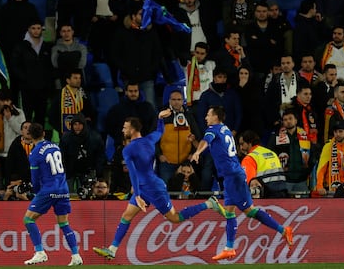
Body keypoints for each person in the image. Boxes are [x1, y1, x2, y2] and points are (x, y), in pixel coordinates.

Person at [93, 110, 224, 260]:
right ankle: (112, 249)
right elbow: (160, 131)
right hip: (144, 187)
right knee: (126, 216)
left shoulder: (128, 149)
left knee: (175, 218)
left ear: (133, 129)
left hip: (153, 188)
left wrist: (137, 194)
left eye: (125, 127)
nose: (123, 130)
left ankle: (209, 204)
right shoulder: (150, 139)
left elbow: (133, 174)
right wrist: (160, 119)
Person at [191, 106, 293, 260]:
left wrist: (198, 152)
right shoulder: (225, 129)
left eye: (208, 115)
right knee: (231, 211)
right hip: (231, 175)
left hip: (233, 175)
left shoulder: (213, 129)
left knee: (248, 211)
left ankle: (283, 230)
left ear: (215, 117)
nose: (206, 118)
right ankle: (230, 248)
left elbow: (207, 140)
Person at [23, 122, 83, 266]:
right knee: (64, 223)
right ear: (44, 133)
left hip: (49, 190)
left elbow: (35, 178)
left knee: (28, 220)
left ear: (30, 136)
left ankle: (40, 252)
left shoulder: (35, 153)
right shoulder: (55, 146)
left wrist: (36, 192)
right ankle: (76, 255)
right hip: (63, 189)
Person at [10, 18, 53, 125]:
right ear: (28, 29)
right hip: (27, 88)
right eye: (33, 28)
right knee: (26, 117)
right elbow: (15, 66)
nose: (36, 31)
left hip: (43, 88)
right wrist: (25, 78)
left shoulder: (47, 47)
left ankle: (40, 141)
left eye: (38, 28)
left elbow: (51, 66)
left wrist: (47, 81)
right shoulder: (21, 46)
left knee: (41, 117)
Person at [156, 90, 201, 183]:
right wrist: (159, 155)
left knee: (185, 191)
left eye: (179, 99)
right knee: (166, 190)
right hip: (166, 162)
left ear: (183, 101)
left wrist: (192, 153)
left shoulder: (189, 117)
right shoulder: (163, 116)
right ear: (169, 101)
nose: (176, 102)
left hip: (185, 163)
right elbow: (154, 138)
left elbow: (197, 137)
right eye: (174, 99)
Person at [268, 110, 316, 196]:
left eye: (290, 118)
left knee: (305, 206)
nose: (288, 121)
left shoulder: (305, 136)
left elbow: (312, 156)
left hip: (302, 180)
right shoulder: (276, 137)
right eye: (285, 120)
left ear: (296, 120)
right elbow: (270, 156)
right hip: (284, 180)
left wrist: (306, 171)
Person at [59, 113, 106, 193]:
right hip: (69, 171)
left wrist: (98, 173)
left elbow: (100, 156)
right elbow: (61, 156)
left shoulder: (95, 138)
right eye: (75, 124)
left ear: (84, 125)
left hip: (88, 171)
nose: (77, 127)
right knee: (67, 195)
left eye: (80, 124)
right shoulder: (66, 138)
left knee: (87, 195)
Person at [315, 120, 344, 197]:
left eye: (340, 131)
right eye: (335, 132)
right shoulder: (328, 146)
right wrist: (319, 186)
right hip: (332, 189)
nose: (337, 134)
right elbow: (321, 168)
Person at [239, 129, 288, 198]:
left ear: (249, 143)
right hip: (282, 191)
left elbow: (250, 183)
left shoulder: (249, 158)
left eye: (242, 144)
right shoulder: (271, 152)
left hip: (266, 196)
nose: (241, 148)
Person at [51, 23, 87, 88]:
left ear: (72, 32)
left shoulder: (81, 47)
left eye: (68, 31)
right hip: (61, 79)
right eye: (64, 31)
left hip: (78, 79)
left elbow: (82, 64)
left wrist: (63, 57)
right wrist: (74, 58)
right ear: (60, 33)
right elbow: (55, 64)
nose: (66, 34)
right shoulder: (55, 48)